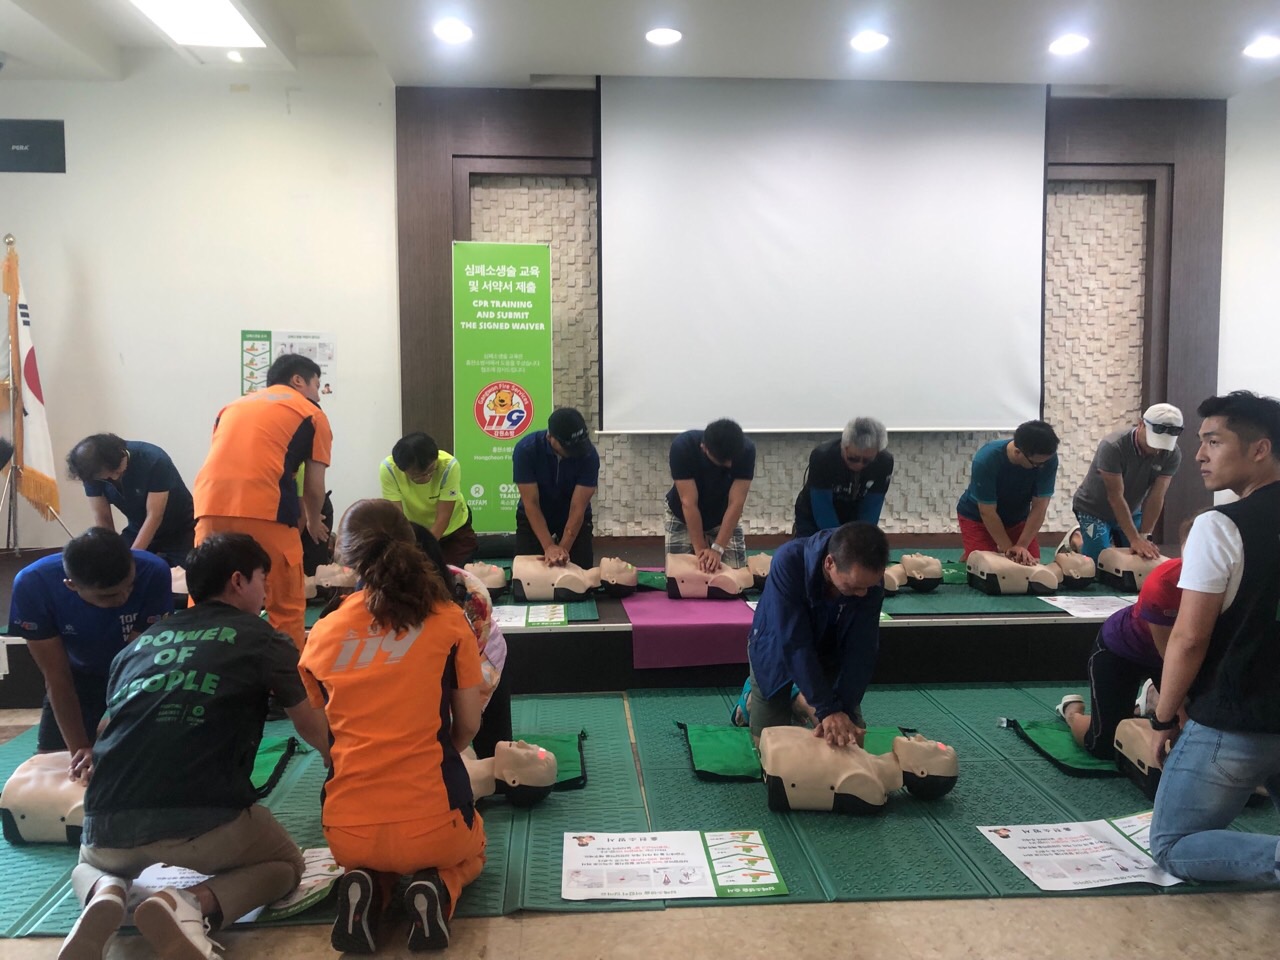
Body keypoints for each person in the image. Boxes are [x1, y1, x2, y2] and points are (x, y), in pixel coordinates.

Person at [56, 534, 331, 960]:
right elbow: (310, 724)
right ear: (238, 581)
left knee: (87, 864)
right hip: (207, 822)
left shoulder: (136, 647)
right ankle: (188, 904)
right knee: (285, 866)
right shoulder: (263, 637)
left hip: (108, 822)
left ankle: (104, 889)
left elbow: (108, 727)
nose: (266, 591)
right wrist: (342, 770)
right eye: (263, 579)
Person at [300, 500, 486, 953]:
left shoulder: (321, 632)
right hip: (434, 822)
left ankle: (369, 886)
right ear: (410, 542)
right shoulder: (449, 620)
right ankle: (438, 888)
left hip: (347, 831)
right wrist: (440, 751)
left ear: (344, 557)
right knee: (474, 848)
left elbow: (321, 736)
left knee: (371, 857)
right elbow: (468, 725)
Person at [1146, 391, 1280, 885]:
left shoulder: (1220, 525)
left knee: (1173, 845)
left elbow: (1189, 638)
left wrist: (1163, 716)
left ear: (1260, 449)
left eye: (1214, 441)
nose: (1200, 455)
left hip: (1237, 718)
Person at [193, 353, 333, 648]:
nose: (318, 395)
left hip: (208, 506)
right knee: (285, 606)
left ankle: (204, 663)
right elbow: (314, 487)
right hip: (266, 509)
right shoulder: (311, 413)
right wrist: (313, 519)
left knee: (206, 597)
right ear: (298, 380)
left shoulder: (231, 407)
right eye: (317, 385)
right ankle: (287, 675)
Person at [8, 528, 171, 779]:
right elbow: (57, 678)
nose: (124, 597)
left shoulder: (152, 571)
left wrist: (123, 727)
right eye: (109, 595)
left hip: (138, 674)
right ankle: (98, 732)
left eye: (130, 586)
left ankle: (104, 730)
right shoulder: (33, 584)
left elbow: (141, 662)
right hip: (78, 673)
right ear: (71, 585)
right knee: (55, 764)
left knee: (146, 757)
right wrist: (79, 751)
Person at [745, 522, 889, 747]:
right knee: (769, 746)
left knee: (851, 743)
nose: (863, 594)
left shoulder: (869, 582)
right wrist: (826, 708)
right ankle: (756, 700)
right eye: (853, 587)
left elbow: (862, 649)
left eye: (868, 587)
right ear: (829, 563)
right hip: (777, 645)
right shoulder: (789, 560)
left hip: (830, 650)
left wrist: (842, 710)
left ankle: (800, 698)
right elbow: (794, 643)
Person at [1057, 552, 1184, 758]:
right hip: (1121, 651)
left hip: (1172, 657)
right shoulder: (1162, 582)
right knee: (1103, 745)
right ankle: (1071, 712)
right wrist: (1175, 718)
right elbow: (1172, 661)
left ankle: (1150, 699)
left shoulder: (1227, 580)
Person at [412, 523, 511, 760]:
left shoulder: (471, 597)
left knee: (491, 751)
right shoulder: (376, 596)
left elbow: (466, 719)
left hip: (482, 656)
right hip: (423, 667)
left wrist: (449, 752)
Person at [1071, 404, 1183, 561]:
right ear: (1141, 424)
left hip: (1131, 510)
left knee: (1140, 557)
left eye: (1163, 444)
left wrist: (1144, 536)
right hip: (1093, 510)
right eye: (1154, 442)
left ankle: (1108, 541)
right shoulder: (1113, 447)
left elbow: (1157, 496)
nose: (1157, 450)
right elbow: (1115, 497)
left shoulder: (1172, 453)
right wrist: (1135, 539)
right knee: (1099, 560)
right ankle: (1077, 541)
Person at [65, 434, 195, 568]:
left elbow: (154, 515)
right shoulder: (92, 472)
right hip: (137, 528)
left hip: (181, 529)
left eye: (117, 472)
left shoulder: (153, 459)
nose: (114, 478)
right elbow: (102, 517)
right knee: (110, 566)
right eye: (107, 477)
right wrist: (111, 554)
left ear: (122, 454)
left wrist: (131, 560)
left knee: (181, 572)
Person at [956, 420, 1060, 564]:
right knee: (988, 566)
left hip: (1016, 518)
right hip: (978, 516)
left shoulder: (1047, 459)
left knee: (1031, 563)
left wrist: (1022, 546)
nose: (1042, 467)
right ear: (1018, 452)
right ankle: (974, 552)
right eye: (1037, 464)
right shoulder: (986, 460)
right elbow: (987, 511)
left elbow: (1040, 506)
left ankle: (978, 550)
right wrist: (1009, 550)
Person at [665, 418, 755, 573]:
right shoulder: (683, 447)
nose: (730, 465)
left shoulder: (746, 450)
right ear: (704, 448)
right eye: (722, 462)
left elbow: (736, 503)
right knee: (679, 576)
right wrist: (701, 550)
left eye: (732, 460)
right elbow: (688, 503)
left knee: (735, 577)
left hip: (722, 516)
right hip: (682, 515)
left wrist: (718, 549)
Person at [512, 407, 599, 567]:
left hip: (571, 514)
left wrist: (562, 552)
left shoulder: (588, 455)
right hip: (536, 512)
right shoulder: (526, 450)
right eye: (568, 447)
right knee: (525, 573)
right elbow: (531, 503)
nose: (574, 452)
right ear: (550, 437)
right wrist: (549, 547)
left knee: (581, 573)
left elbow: (577, 508)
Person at [380, 432, 477, 566]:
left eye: (431, 470)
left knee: (454, 573)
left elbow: (443, 518)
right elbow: (398, 518)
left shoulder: (449, 466)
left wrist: (424, 551)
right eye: (417, 475)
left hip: (453, 529)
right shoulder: (389, 469)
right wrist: (409, 550)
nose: (426, 478)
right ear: (402, 469)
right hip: (415, 531)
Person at [794, 416, 894, 536]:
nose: (859, 465)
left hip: (852, 513)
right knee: (814, 545)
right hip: (814, 514)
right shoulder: (822, 457)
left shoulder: (884, 462)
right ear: (843, 446)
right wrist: (838, 540)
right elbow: (822, 507)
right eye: (853, 458)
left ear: (877, 453)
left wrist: (863, 536)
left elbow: (872, 507)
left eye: (867, 461)